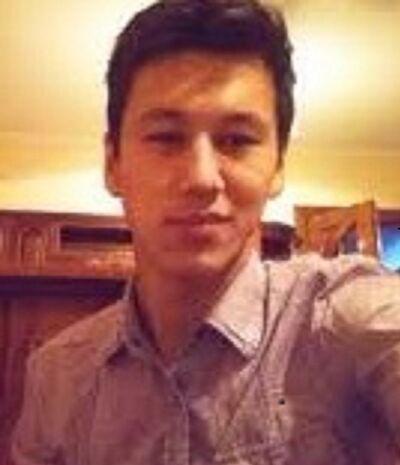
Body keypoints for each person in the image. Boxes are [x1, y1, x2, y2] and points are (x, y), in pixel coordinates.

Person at [11, 0, 400, 464]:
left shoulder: (342, 321)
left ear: (277, 166)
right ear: (113, 163)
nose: (201, 178)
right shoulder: (56, 375)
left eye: (238, 140)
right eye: (165, 137)